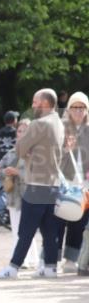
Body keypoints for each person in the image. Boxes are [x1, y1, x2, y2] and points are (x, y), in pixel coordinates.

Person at [0, 89, 66, 279]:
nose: (32, 106)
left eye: (35, 102)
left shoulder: (38, 124)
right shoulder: (59, 123)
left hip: (36, 183)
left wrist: (29, 151)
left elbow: (19, 147)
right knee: (50, 230)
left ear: (45, 103)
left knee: (25, 230)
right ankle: (50, 267)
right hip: (53, 183)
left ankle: (13, 268)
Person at [0, 119, 40, 269]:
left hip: (32, 196)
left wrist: (18, 172)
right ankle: (24, 259)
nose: (21, 134)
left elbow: (39, 174)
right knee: (17, 229)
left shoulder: (38, 153)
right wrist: (5, 173)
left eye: (25, 131)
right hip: (14, 197)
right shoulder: (11, 153)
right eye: (19, 131)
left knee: (30, 229)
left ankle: (32, 258)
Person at [58, 91, 89, 273]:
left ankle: (71, 259)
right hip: (64, 181)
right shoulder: (61, 127)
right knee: (58, 221)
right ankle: (50, 259)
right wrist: (64, 149)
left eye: (82, 107)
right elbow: (50, 156)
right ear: (69, 109)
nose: (79, 111)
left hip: (84, 183)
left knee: (79, 221)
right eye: (75, 107)